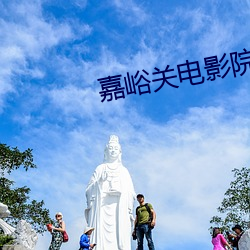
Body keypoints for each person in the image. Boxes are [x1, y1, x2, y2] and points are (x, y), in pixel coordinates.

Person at [85, 135, 136, 250]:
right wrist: (100, 181)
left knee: (119, 237)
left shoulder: (124, 171)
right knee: (100, 237)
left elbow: (131, 193)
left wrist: (122, 192)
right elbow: (88, 190)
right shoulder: (100, 169)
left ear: (120, 152)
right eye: (111, 148)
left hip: (119, 209)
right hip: (101, 208)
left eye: (115, 149)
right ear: (106, 151)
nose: (113, 151)